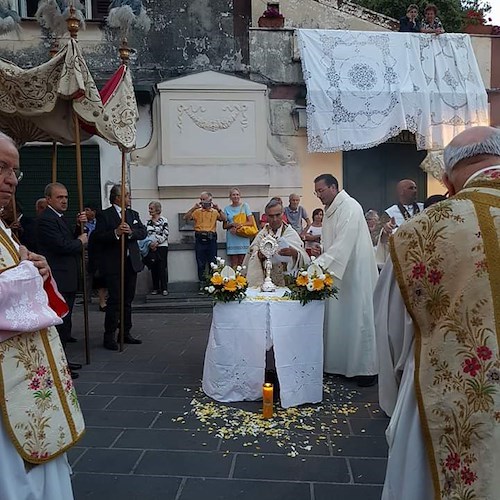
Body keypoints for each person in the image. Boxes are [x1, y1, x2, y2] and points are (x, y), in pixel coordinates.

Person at [374, 126, 500, 499]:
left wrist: (396, 401)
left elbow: (392, 333)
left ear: (447, 179)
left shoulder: (421, 231)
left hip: (447, 402)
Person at [0, 132, 84, 500]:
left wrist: (35, 263)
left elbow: (18, 261)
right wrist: (29, 272)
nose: (9, 179)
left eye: (14, 171)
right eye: (0, 167)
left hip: (25, 376)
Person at [311, 174, 378, 387]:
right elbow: (331, 243)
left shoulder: (350, 207)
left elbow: (343, 244)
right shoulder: (331, 211)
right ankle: (339, 365)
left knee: (358, 318)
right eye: (316, 192)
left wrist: (318, 266)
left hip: (355, 272)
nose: (319, 195)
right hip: (339, 272)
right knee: (340, 320)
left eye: (321, 191)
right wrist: (320, 251)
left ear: (333, 187)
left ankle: (365, 370)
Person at [35, 182, 88, 378]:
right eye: (60, 197)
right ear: (48, 199)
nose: (64, 200)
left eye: (66, 197)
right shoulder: (46, 220)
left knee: (66, 322)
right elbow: (62, 246)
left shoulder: (59, 218)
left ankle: (63, 359)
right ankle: (58, 364)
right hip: (59, 277)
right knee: (60, 322)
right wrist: (80, 242)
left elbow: (67, 238)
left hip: (68, 276)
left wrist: (76, 227)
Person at [92, 184, 147, 350]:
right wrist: (115, 233)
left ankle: (125, 332)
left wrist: (131, 232)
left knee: (128, 300)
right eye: (126, 195)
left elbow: (142, 232)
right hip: (114, 264)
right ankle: (109, 336)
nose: (129, 198)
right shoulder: (104, 215)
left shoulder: (132, 214)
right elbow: (98, 237)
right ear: (117, 198)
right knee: (115, 300)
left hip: (131, 263)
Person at [244, 198, 309, 288]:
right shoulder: (262, 234)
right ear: (266, 216)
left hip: (288, 283)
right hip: (264, 284)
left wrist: (295, 253)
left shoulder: (290, 233)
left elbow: (303, 255)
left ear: (283, 214)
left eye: (278, 215)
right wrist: (259, 255)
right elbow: (252, 252)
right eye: (271, 216)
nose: (274, 219)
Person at [376, 179, 424, 266]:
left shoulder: (424, 208)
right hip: (401, 258)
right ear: (401, 192)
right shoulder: (390, 213)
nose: (415, 191)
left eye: (415, 188)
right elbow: (376, 238)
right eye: (411, 188)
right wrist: (385, 232)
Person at [184, 192, 226, 290]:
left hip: (211, 238)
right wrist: (194, 208)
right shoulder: (197, 211)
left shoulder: (215, 212)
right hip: (199, 238)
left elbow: (224, 219)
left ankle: (213, 284)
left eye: (204, 199)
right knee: (200, 262)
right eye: (201, 199)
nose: (202, 201)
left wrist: (218, 209)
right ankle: (202, 283)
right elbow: (186, 218)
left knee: (213, 262)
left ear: (210, 200)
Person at [223, 187, 254, 267]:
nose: (235, 196)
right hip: (232, 238)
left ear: (240, 196)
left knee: (243, 262)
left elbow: (251, 222)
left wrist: (239, 225)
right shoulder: (226, 209)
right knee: (233, 262)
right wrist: (232, 224)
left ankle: (242, 279)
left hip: (242, 236)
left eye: (237, 194)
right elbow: (224, 226)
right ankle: (234, 279)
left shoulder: (245, 206)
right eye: (233, 195)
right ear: (230, 197)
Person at [145, 200, 169, 296]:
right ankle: (155, 288)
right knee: (153, 267)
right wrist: (150, 244)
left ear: (157, 209)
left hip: (162, 246)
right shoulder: (148, 222)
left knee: (162, 267)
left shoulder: (164, 220)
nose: (150, 211)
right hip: (151, 247)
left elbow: (166, 233)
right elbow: (145, 234)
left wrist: (157, 242)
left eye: (151, 209)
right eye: (149, 209)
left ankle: (164, 288)